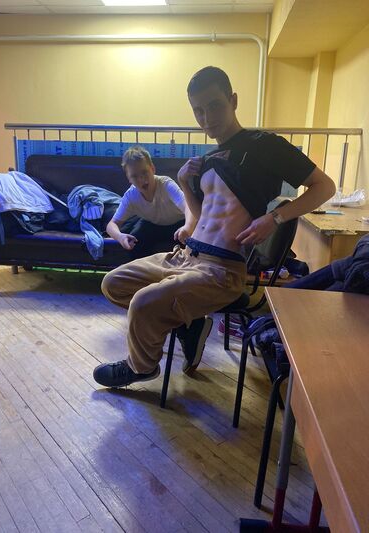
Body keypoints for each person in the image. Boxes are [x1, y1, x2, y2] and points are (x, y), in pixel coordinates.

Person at [93, 66, 336, 388]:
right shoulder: (208, 160)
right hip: (186, 256)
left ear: (233, 101)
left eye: (215, 105)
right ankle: (189, 324)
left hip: (221, 269)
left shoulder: (265, 145)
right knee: (114, 284)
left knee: (143, 304)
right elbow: (200, 215)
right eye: (198, 110)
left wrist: (275, 217)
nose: (207, 118)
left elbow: (325, 186)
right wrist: (184, 182)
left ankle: (141, 367)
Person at [106, 146, 188, 258]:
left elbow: (188, 208)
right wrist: (120, 237)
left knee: (190, 242)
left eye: (144, 172)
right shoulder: (131, 195)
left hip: (178, 224)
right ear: (129, 178)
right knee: (133, 242)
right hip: (151, 225)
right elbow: (112, 224)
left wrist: (188, 226)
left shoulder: (166, 184)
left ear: (153, 169)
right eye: (134, 176)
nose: (141, 180)